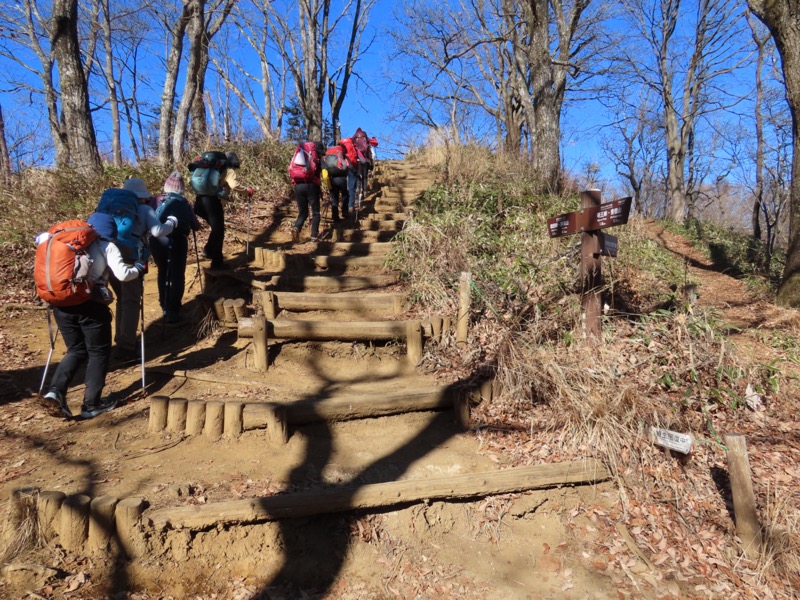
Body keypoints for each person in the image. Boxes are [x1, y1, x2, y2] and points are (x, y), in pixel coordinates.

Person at [41, 213, 147, 419]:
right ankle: (91, 404)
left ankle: (55, 391)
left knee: (76, 350)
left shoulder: (58, 241)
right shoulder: (106, 245)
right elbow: (123, 274)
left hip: (61, 304)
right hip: (90, 305)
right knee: (98, 353)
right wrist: (138, 269)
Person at [110, 178, 177, 360]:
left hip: (109, 256)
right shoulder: (145, 209)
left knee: (121, 299)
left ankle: (121, 338)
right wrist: (172, 223)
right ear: (143, 195)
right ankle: (127, 346)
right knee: (132, 300)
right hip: (132, 258)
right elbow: (157, 231)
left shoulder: (113, 208)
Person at [148, 172, 201, 324]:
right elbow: (196, 226)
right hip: (178, 241)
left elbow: (149, 221)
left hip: (157, 241)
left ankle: (164, 306)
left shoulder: (157, 200)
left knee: (163, 271)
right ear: (182, 188)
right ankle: (174, 310)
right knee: (178, 275)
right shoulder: (184, 203)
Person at [192, 151, 252, 269]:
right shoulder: (229, 171)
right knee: (219, 231)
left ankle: (208, 250)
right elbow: (234, 185)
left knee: (217, 229)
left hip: (199, 201)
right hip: (213, 202)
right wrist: (247, 191)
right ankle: (217, 262)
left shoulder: (210, 169)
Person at [289, 142, 324, 243]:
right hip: (311, 186)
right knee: (316, 212)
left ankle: (296, 228)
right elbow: (317, 176)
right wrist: (319, 189)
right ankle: (314, 236)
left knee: (303, 213)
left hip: (298, 185)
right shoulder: (315, 159)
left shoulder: (301, 156)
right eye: (321, 153)